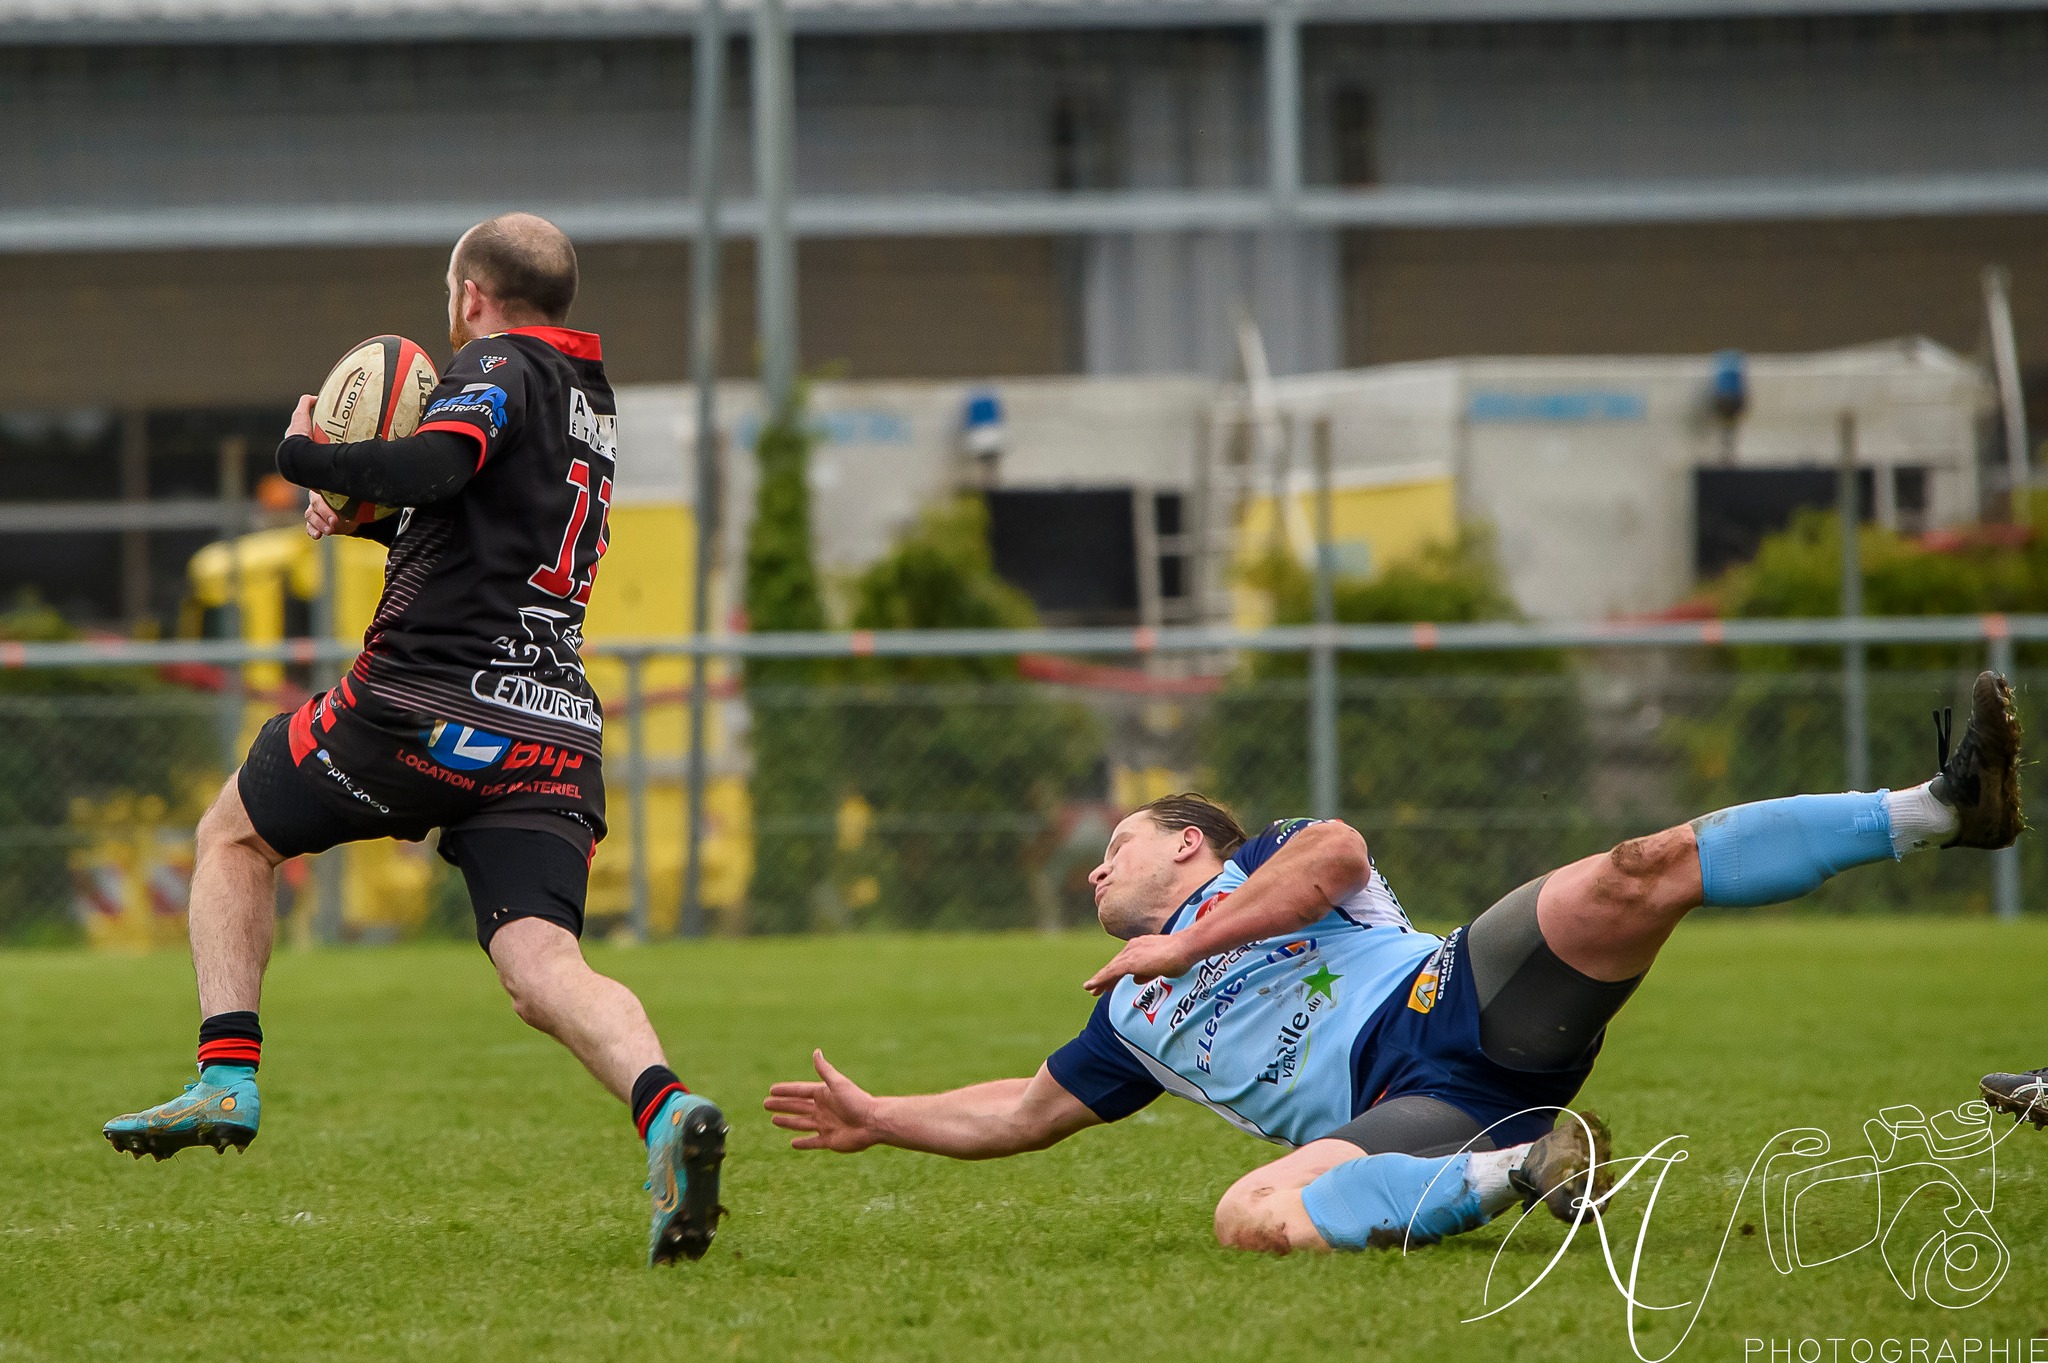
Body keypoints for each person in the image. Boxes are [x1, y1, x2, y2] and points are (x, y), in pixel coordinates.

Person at [766, 674, 2023, 1254]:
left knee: (1638, 865)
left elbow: (1335, 857)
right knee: (1247, 1214)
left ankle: (1938, 808)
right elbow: (1024, 1110)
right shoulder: (1124, 1015)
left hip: (1460, 991)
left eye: (1117, 847)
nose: (1095, 872)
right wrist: (883, 1119)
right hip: (1416, 1111)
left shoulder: (1251, 868)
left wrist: (1188, 938)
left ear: (1190, 845)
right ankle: (1519, 1168)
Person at [102, 213, 727, 1268]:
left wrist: (307, 451)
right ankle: (666, 1108)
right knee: (539, 961)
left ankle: (226, 1070)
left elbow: (442, 461)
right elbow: (479, 517)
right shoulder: (588, 402)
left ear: (470, 293)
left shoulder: (489, 361)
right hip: (552, 726)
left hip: (428, 700)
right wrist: (366, 518)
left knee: (235, 836)